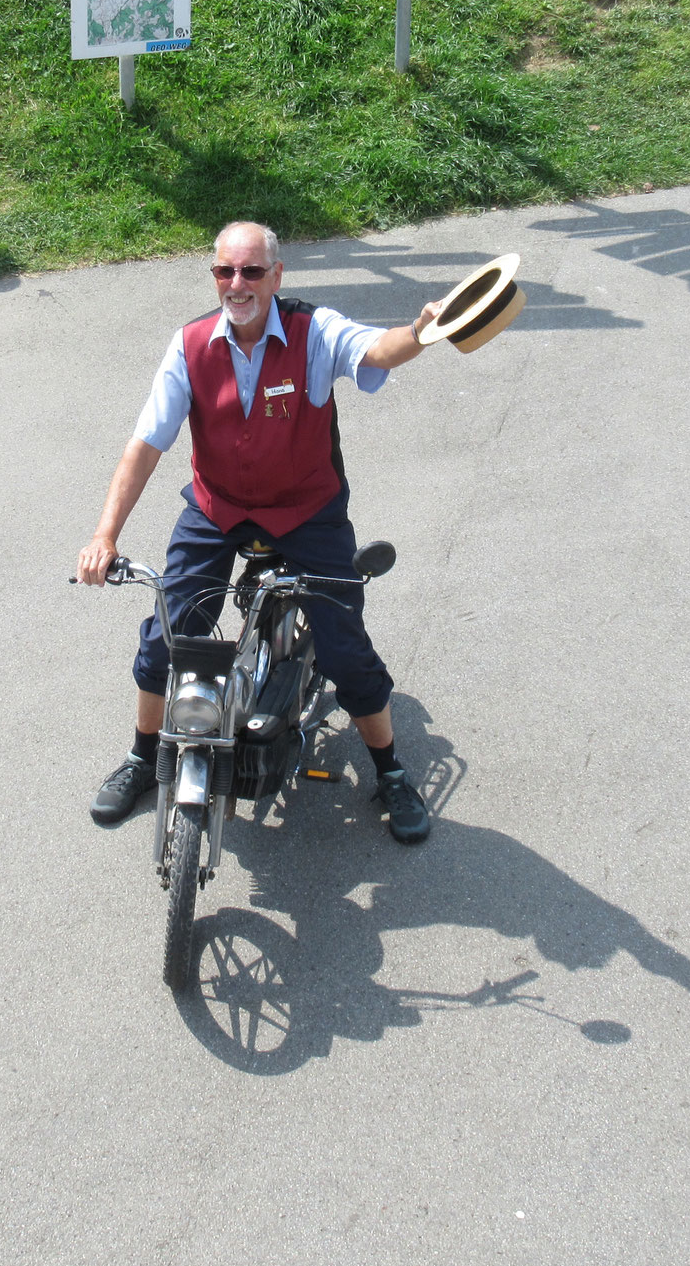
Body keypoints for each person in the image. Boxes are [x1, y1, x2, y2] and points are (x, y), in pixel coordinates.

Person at [74, 220, 443, 844]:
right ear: (214, 275)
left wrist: (420, 332)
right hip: (219, 507)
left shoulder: (314, 331)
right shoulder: (190, 345)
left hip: (306, 508)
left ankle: (391, 770)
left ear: (277, 275)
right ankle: (143, 757)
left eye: (251, 271)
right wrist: (104, 536)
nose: (237, 284)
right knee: (170, 634)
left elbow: (376, 351)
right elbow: (144, 446)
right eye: (225, 271)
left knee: (344, 644)